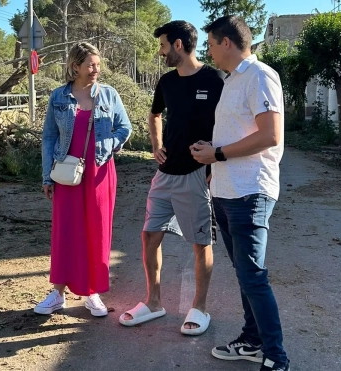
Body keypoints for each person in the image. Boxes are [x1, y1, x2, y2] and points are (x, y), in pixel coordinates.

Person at [191, 15, 290, 371]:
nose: (210, 52)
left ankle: (276, 357)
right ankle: (252, 340)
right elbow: (240, 133)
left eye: (212, 44)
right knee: (244, 272)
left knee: (253, 275)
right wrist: (211, 149)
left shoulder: (261, 76)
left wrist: (217, 153)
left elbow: (269, 136)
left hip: (251, 192)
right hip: (226, 190)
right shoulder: (233, 80)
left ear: (227, 43)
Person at [119, 20, 225, 336]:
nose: (160, 51)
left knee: (200, 242)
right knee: (150, 236)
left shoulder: (215, 79)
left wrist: (215, 162)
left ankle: (200, 308)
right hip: (164, 176)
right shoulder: (166, 82)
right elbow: (154, 115)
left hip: (197, 176)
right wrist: (156, 145)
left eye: (163, 45)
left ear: (178, 45)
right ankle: (154, 303)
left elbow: (230, 123)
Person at [36, 42, 132, 317]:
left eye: (98, 65)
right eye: (90, 64)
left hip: (100, 172)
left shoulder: (109, 95)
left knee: (98, 230)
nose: (95, 70)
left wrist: (108, 143)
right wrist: (47, 177)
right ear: (75, 66)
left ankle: (93, 293)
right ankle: (58, 293)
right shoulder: (58, 97)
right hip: (66, 173)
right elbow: (49, 138)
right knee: (65, 231)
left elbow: (125, 128)